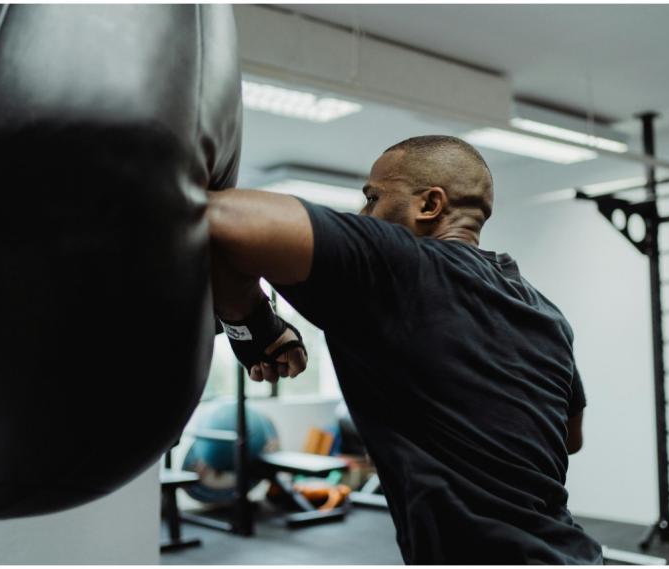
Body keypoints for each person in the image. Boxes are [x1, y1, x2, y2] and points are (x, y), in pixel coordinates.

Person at [207, 135, 603, 564]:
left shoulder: (401, 268)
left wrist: (252, 323)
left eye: (373, 197)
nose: (364, 212)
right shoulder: (544, 312)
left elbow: (218, 219)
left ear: (429, 206)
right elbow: (569, 437)